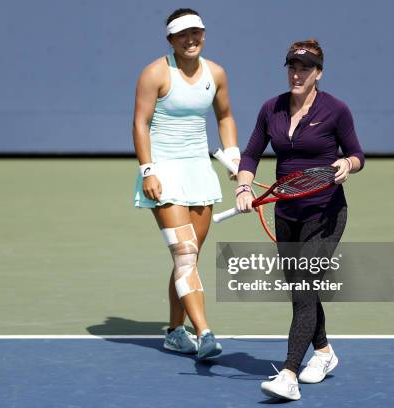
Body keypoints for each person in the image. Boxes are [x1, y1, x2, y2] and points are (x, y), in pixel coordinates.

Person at [235, 39, 365, 399]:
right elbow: (250, 154)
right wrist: (244, 189)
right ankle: (323, 352)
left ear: (318, 73)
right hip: (286, 213)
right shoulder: (271, 109)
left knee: (305, 283)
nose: (297, 73)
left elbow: (356, 154)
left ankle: (289, 373)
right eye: (292, 66)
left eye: (305, 68)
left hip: (325, 213)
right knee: (300, 289)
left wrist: (346, 164)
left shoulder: (336, 110)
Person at [132, 8, 239, 360]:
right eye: (183, 35)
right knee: (184, 253)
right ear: (170, 41)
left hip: (200, 174)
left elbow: (224, 116)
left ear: (204, 35)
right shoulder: (155, 73)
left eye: (196, 33)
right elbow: (140, 123)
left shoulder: (217, 73)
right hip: (164, 172)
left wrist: (233, 155)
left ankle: (175, 332)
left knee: (188, 259)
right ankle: (204, 332)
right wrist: (148, 170)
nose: (191, 40)